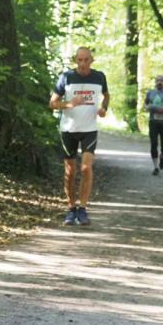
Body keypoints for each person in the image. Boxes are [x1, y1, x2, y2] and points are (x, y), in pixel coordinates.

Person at [49, 47, 109, 226]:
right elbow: (52, 103)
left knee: (86, 168)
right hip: (68, 129)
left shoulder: (99, 77)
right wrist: (68, 103)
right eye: (80, 60)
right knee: (70, 171)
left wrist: (104, 108)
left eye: (86, 60)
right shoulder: (66, 77)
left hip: (89, 129)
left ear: (92, 60)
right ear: (76, 60)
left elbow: (106, 96)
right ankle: (70, 209)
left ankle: (82, 209)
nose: (83, 64)